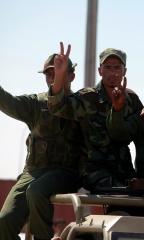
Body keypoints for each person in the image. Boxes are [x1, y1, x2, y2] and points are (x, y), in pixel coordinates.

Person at [0, 54, 83, 240]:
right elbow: (7, 102)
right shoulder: (36, 104)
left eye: (59, 72)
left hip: (67, 172)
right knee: (4, 221)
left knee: (37, 191)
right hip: (34, 171)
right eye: (49, 74)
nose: (53, 77)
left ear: (71, 76)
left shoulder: (81, 104)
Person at [48, 43, 143, 191]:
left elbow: (143, 130)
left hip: (124, 171)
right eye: (108, 67)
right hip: (94, 171)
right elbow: (57, 107)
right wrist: (59, 76)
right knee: (121, 193)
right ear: (100, 71)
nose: (113, 73)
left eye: (117, 67)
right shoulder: (87, 97)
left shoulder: (132, 100)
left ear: (125, 71)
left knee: (140, 196)